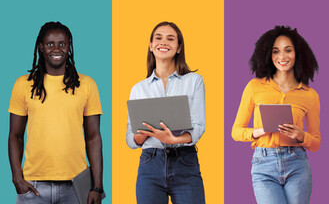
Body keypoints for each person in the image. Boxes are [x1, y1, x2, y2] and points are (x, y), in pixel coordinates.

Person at [8, 21, 104, 204]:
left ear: (69, 46)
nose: (56, 49)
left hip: (76, 185)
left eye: (62, 43)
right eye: (50, 44)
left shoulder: (87, 85)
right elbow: (15, 135)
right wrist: (16, 178)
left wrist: (97, 186)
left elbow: (93, 137)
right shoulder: (23, 84)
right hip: (33, 185)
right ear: (41, 47)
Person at [231, 25, 321, 204]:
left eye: (288, 50)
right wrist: (258, 131)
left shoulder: (310, 94)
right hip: (263, 162)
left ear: (298, 54)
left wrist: (301, 135)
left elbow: (316, 142)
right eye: (275, 51)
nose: (282, 57)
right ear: (268, 55)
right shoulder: (254, 87)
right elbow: (235, 131)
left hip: (297, 162)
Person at [125, 21, 206, 203]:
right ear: (151, 46)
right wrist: (142, 134)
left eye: (171, 39)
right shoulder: (138, 89)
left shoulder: (194, 81)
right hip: (150, 163)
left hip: (185, 162)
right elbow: (131, 139)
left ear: (178, 48)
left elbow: (199, 126)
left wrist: (173, 140)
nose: (164, 42)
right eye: (158, 38)